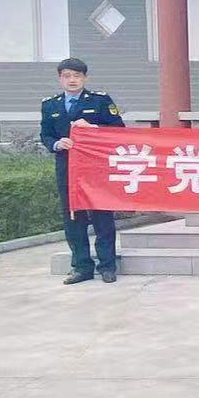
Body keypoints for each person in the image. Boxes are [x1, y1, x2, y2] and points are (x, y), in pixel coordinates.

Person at [41, 58, 125, 284]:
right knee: (73, 218)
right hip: (67, 168)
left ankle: (107, 266)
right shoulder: (50, 105)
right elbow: (45, 134)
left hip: (95, 168)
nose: (72, 80)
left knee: (102, 216)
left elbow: (118, 130)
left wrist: (93, 129)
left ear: (85, 78)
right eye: (67, 76)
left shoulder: (99, 101)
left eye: (77, 76)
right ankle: (81, 267)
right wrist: (56, 144)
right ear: (60, 78)